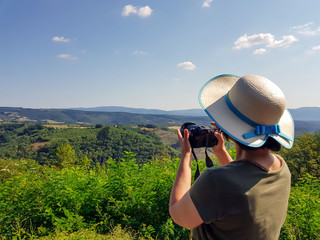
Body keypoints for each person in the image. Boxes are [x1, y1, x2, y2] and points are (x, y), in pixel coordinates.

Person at [169, 74, 294, 240]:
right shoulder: (282, 168)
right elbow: (242, 183)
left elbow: (179, 216)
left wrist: (186, 157)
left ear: (228, 127)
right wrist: (220, 151)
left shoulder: (216, 180)